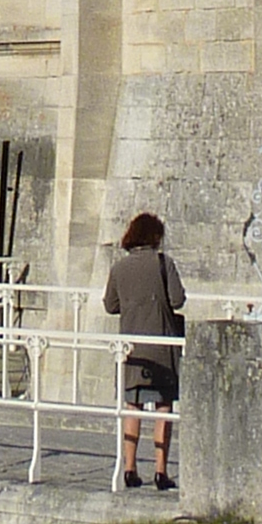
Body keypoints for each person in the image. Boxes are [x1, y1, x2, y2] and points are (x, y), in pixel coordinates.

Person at [102, 209, 185, 490]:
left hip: (132, 349)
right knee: (163, 407)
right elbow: (178, 299)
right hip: (162, 345)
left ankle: (129, 467)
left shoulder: (119, 269)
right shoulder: (164, 263)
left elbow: (110, 305)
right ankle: (161, 470)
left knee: (132, 406)